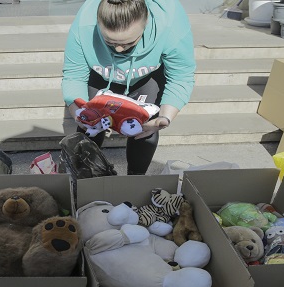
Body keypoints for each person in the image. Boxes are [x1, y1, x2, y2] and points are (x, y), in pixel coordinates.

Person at [62, 0, 196, 175]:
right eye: (110, 42)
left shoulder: (170, 22)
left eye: (128, 43)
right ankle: (86, 181)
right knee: (89, 127)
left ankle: (134, 180)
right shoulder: (84, 24)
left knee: (145, 130)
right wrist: (79, 114)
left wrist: (165, 118)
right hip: (101, 73)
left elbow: (181, 75)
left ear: (146, 23)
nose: (118, 49)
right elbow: (74, 75)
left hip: (147, 77)